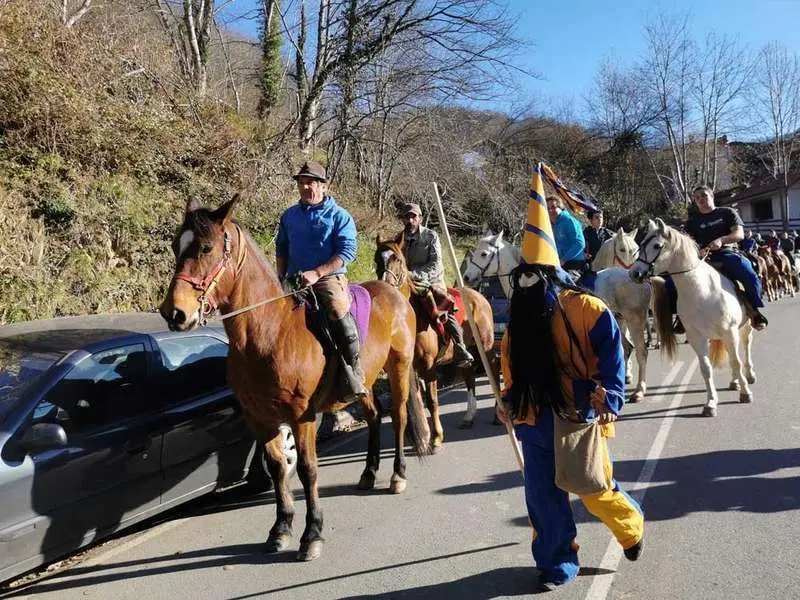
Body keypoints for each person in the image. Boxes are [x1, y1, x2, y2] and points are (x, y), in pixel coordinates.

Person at [497, 171, 644, 592]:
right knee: (542, 497)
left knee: (593, 488)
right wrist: (506, 398)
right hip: (531, 416)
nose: (525, 284)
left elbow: (611, 358)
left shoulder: (587, 308)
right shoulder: (518, 319)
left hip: (578, 413)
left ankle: (631, 526)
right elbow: (510, 365)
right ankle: (557, 562)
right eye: (522, 276)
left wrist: (610, 396)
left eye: (533, 275)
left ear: (549, 275)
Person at [276, 160, 367, 401]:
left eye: (311, 183)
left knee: (337, 309)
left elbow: (347, 251)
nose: (305, 187)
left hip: (328, 278)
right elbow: (281, 248)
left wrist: (317, 273)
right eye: (301, 183)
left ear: (324, 186)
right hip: (294, 278)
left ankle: (354, 371)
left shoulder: (340, 216)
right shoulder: (289, 216)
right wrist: (280, 277)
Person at [669, 185, 767, 331]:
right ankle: (681, 317)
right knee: (673, 282)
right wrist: (698, 251)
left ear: (712, 196)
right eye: (697, 198)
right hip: (701, 258)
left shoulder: (727, 213)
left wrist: (721, 240)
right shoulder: (692, 222)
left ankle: (754, 310)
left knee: (748, 273)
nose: (701, 199)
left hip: (727, 253)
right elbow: (687, 243)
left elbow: (739, 234)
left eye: (704, 195)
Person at [396, 202, 474, 367]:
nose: (410, 220)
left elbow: (435, 264)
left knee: (442, 303)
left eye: (413, 216)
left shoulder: (431, 236)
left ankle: (460, 347)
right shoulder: (399, 238)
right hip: (407, 281)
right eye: (406, 217)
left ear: (420, 218)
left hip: (431, 281)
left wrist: (413, 274)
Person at [546, 195, 586, 272]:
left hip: (574, 265)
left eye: (553, 207)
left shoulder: (569, 221)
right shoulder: (551, 224)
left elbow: (580, 243)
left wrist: (564, 259)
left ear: (560, 208)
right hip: (559, 264)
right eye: (548, 208)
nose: (550, 210)